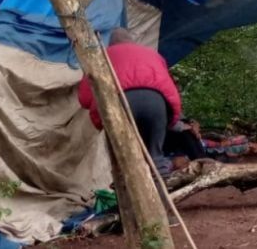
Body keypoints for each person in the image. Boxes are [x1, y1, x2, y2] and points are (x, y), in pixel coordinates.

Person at [78, 28, 183, 175]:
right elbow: (170, 88)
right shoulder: (152, 54)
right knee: (155, 155)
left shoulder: (101, 57)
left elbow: (84, 98)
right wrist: (172, 119)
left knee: (124, 157)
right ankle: (163, 183)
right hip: (156, 103)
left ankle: (126, 185)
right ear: (131, 41)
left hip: (120, 104)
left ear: (111, 43)